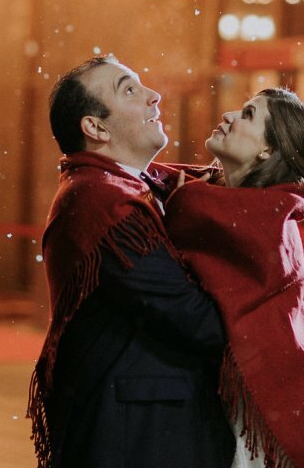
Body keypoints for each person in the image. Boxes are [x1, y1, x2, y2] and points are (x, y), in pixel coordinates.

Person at [27, 55, 235, 468]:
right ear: (95, 127)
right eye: (129, 90)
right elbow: (195, 319)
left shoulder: (138, 188)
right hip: (137, 434)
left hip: (150, 424)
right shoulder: (102, 204)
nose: (154, 97)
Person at [163, 88, 304, 468]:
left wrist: (175, 201)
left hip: (260, 396)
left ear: (268, 152)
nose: (227, 115)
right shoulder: (242, 208)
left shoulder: (233, 219)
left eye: (248, 114)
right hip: (269, 386)